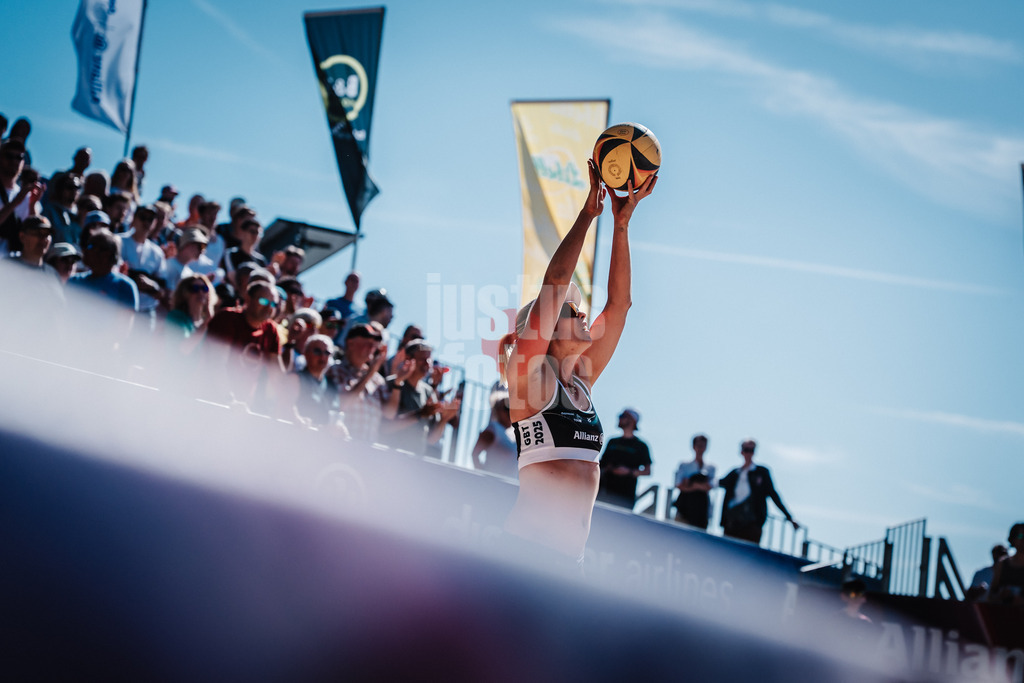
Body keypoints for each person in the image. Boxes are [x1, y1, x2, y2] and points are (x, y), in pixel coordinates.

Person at [501, 159, 656, 567]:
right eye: (572, 312)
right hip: (525, 558)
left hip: (568, 564)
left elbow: (619, 306)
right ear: (548, 328)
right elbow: (553, 285)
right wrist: (590, 215)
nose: (583, 315)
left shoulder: (581, 379)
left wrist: (621, 226)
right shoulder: (530, 379)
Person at [381, 340, 460, 455]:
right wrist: (420, 414)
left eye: (429, 360)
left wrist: (444, 420)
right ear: (408, 359)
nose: (427, 364)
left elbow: (431, 439)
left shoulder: (428, 392)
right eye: (423, 359)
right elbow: (384, 427)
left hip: (416, 462)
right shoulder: (391, 384)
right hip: (389, 457)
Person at [719, 439, 799, 544]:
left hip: (752, 523)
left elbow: (773, 494)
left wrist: (789, 517)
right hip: (732, 522)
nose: (749, 453)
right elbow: (716, 483)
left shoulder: (762, 472)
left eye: (751, 450)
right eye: (746, 449)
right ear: (741, 452)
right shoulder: (735, 473)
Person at [331, 322, 388, 443]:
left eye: (373, 345)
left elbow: (389, 414)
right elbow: (342, 404)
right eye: (367, 344)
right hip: (341, 445)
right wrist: (370, 373)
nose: (372, 348)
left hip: (368, 452)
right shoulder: (335, 370)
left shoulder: (378, 380)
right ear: (350, 343)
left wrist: (398, 381)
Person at [597, 408, 653, 510]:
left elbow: (647, 471)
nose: (620, 418)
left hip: (625, 497)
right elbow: (601, 463)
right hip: (604, 492)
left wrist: (629, 472)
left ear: (632, 421)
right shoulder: (612, 442)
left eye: (623, 416)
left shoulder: (641, 446)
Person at [471, 386, 518, 478]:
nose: (510, 412)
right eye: (506, 408)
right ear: (497, 410)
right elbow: (474, 454)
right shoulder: (493, 429)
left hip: (510, 487)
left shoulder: (513, 434)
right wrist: (485, 479)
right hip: (494, 486)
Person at [673, 434, 717, 530]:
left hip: (702, 512)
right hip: (684, 509)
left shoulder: (711, 468)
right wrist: (701, 485)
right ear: (693, 447)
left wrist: (691, 484)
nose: (700, 448)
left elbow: (710, 486)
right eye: (698, 445)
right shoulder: (684, 465)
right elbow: (679, 485)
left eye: (703, 446)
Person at [988, 522, 1024, 606]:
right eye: (1021, 536)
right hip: (1003, 614)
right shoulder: (1003, 563)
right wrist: (1000, 596)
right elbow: (991, 596)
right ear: (1013, 539)